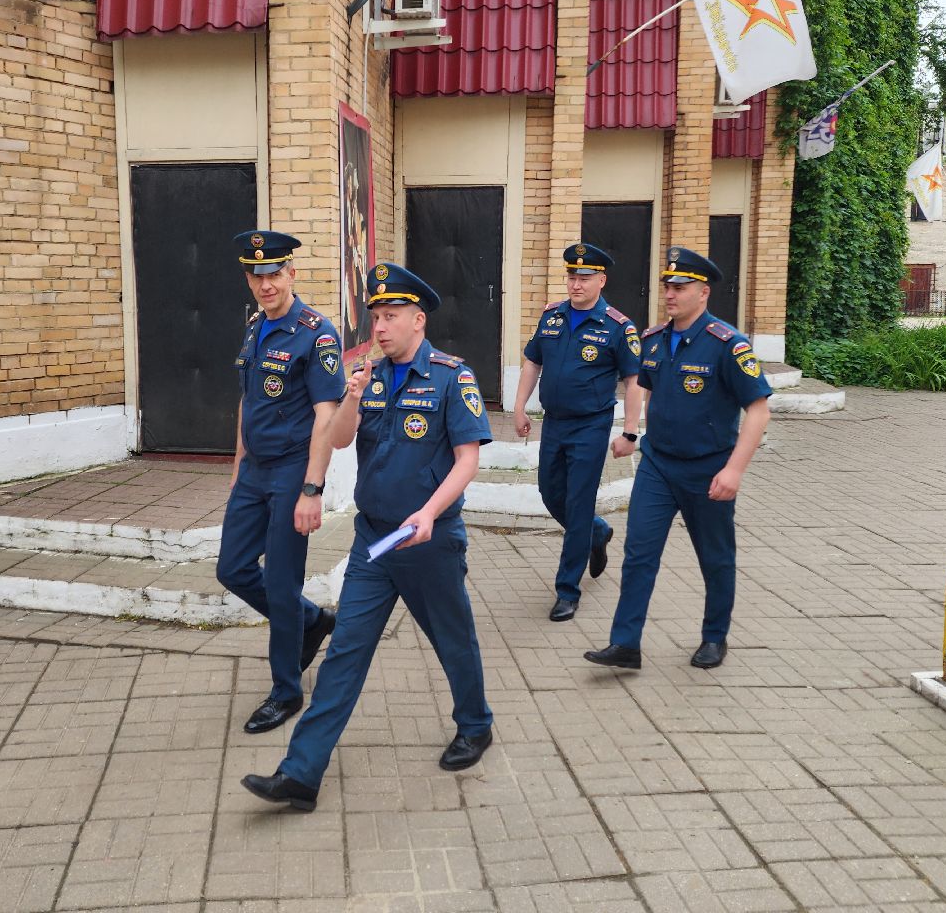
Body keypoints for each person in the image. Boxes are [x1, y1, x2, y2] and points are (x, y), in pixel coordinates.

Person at [241, 262, 495, 811]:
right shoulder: (370, 375)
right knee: (344, 654)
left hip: (428, 541)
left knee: (452, 639)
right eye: (375, 316)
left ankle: (475, 724)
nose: (379, 327)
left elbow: (467, 460)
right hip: (374, 543)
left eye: (390, 316)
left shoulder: (452, 377)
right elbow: (338, 440)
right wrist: (352, 396)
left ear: (418, 320)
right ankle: (300, 773)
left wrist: (429, 513)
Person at [585, 246, 771, 672]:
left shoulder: (728, 344)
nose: (670, 293)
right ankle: (625, 643)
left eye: (680, 286)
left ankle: (714, 636)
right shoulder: (652, 340)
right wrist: (634, 434)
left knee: (715, 557)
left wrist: (734, 470)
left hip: (709, 469)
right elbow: (648, 390)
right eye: (667, 285)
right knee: (639, 552)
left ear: (703, 292)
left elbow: (758, 410)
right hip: (658, 466)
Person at [218, 230, 346, 734]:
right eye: (256, 276)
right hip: (254, 471)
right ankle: (311, 620)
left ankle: (286, 691)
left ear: (291, 273)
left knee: (280, 581)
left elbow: (326, 416)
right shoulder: (256, 327)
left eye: (273, 274)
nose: (265, 284)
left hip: (293, 471)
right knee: (232, 568)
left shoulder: (317, 333)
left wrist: (312, 489)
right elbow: (248, 401)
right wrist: (237, 467)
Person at [513, 242, 642, 622]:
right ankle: (596, 533)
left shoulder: (618, 326)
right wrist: (519, 407)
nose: (576, 284)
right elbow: (532, 362)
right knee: (550, 492)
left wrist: (630, 432)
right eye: (572, 276)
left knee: (578, 503)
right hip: (554, 422)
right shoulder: (552, 316)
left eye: (585, 277)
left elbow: (634, 380)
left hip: (591, 425)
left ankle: (567, 590)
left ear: (601, 280)